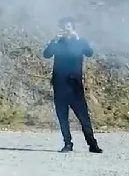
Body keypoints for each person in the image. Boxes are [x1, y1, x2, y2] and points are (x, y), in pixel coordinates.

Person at [42, 17, 103, 154]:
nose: (66, 30)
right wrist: (54, 41)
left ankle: (92, 144)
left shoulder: (80, 42)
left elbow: (89, 53)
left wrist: (77, 38)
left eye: (68, 27)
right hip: (60, 83)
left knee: (83, 116)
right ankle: (67, 143)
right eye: (64, 27)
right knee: (62, 116)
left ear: (73, 28)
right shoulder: (58, 42)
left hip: (75, 84)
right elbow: (46, 54)